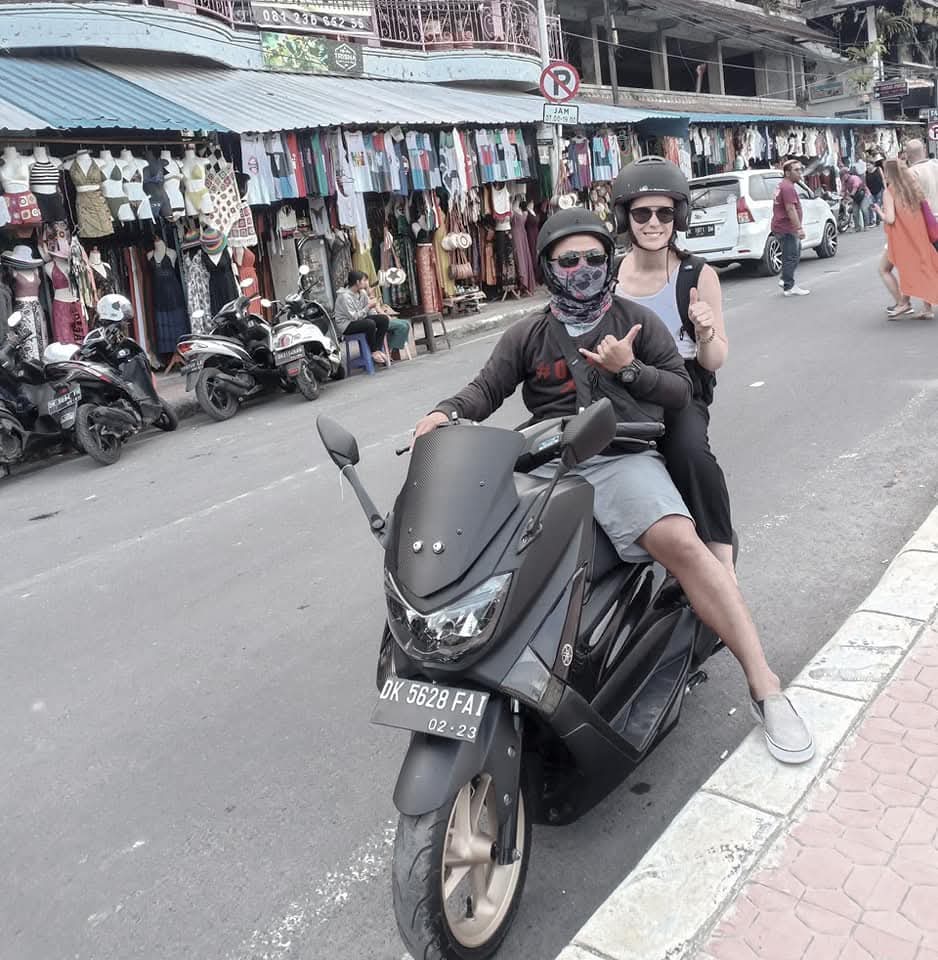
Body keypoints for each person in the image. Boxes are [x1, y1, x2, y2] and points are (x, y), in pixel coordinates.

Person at [413, 207, 814, 765]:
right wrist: (443, 413)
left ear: (609, 262)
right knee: (491, 552)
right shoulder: (527, 334)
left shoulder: (635, 321)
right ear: (550, 267)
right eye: (568, 260)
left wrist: (627, 370)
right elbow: (485, 389)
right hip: (547, 463)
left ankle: (766, 686)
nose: (582, 270)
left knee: (683, 548)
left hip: (620, 457)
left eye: (594, 260)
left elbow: (679, 390)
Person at [612, 157, 735, 581]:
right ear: (625, 217)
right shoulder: (608, 275)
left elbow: (714, 359)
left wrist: (704, 330)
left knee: (689, 454)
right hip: (620, 386)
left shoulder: (696, 275)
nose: (653, 223)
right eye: (641, 213)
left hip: (679, 386)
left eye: (664, 213)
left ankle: (722, 562)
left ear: (678, 217)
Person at [873, 158, 938, 320]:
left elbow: (890, 219)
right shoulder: (914, 188)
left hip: (902, 240)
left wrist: (879, 212)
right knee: (923, 268)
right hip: (920, 237)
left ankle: (902, 304)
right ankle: (926, 309)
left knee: (883, 269)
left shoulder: (890, 191)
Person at [905, 139, 938, 318]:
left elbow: (912, 202)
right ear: (924, 150)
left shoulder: (911, 173)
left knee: (926, 263)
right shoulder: (936, 166)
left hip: (927, 223)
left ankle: (927, 308)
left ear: (908, 156)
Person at [333, 270, 389, 366]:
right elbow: (354, 317)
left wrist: (376, 312)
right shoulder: (344, 297)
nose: (366, 283)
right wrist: (368, 307)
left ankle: (378, 349)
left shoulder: (362, 292)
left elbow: (369, 311)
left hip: (360, 319)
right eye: (364, 280)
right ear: (358, 282)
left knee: (383, 319)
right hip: (347, 325)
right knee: (369, 323)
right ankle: (374, 351)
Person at [772, 159, 810, 296]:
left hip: (782, 226)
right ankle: (789, 286)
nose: (800, 172)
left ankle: (785, 279)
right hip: (786, 228)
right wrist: (799, 228)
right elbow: (790, 209)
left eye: (801, 169)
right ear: (787, 173)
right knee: (791, 256)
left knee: (793, 253)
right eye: (796, 170)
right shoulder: (787, 187)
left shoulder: (783, 185)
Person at [840, 166, 869, 233]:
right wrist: (841, 195)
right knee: (855, 212)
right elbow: (843, 190)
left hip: (862, 195)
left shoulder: (854, 178)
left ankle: (866, 226)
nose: (843, 177)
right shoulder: (844, 182)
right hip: (855, 198)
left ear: (847, 174)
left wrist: (851, 194)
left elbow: (855, 186)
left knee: (864, 210)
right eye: (842, 176)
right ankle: (857, 227)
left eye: (844, 175)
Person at [865, 160, 885, 227]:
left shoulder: (878, 169)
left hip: (879, 190)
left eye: (868, 165)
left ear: (873, 165)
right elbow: (866, 183)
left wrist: (885, 188)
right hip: (871, 191)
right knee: (871, 205)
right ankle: (872, 221)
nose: (867, 167)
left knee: (878, 205)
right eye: (866, 165)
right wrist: (868, 191)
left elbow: (883, 179)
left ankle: (877, 221)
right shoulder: (866, 172)